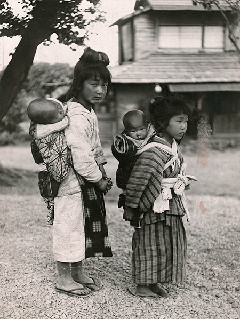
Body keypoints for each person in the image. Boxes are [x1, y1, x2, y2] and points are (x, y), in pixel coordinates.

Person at [33, 47, 113, 297]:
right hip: (69, 181)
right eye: (94, 84)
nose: (100, 90)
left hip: (83, 180)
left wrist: (100, 166)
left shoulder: (87, 110)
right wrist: (99, 179)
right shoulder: (76, 114)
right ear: (80, 84)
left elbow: (95, 146)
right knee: (68, 227)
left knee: (82, 225)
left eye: (104, 85)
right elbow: (80, 156)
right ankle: (64, 277)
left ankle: (77, 271)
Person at [123, 95, 196, 298]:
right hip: (153, 208)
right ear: (163, 122)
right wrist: (131, 206)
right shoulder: (153, 151)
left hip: (169, 205)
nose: (184, 126)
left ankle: (154, 281)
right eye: (179, 121)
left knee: (166, 243)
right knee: (149, 243)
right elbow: (138, 181)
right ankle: (142, 284)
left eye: (186, 121)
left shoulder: (171, 146)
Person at [27, 98, 72, 225]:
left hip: (44, 168)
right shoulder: (51, 128)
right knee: (54, 191)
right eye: (59, 113)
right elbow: (66, 121)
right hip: (51, 167)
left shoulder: (37, 127)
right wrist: (67, 113)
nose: (62, 113)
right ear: (49, 121)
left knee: (49, 193)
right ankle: (53, 212)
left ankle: (51, 209)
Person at [111, 110, 155, 227]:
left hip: (146, 173)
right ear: (126, 130)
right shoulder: (124, 141)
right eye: (133, 131)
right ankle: (133, 216)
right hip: (129, 174)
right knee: (130, 195)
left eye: (141, 129)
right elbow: (117, 150)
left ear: (147, 126)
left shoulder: (152, 135)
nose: (138, 134)